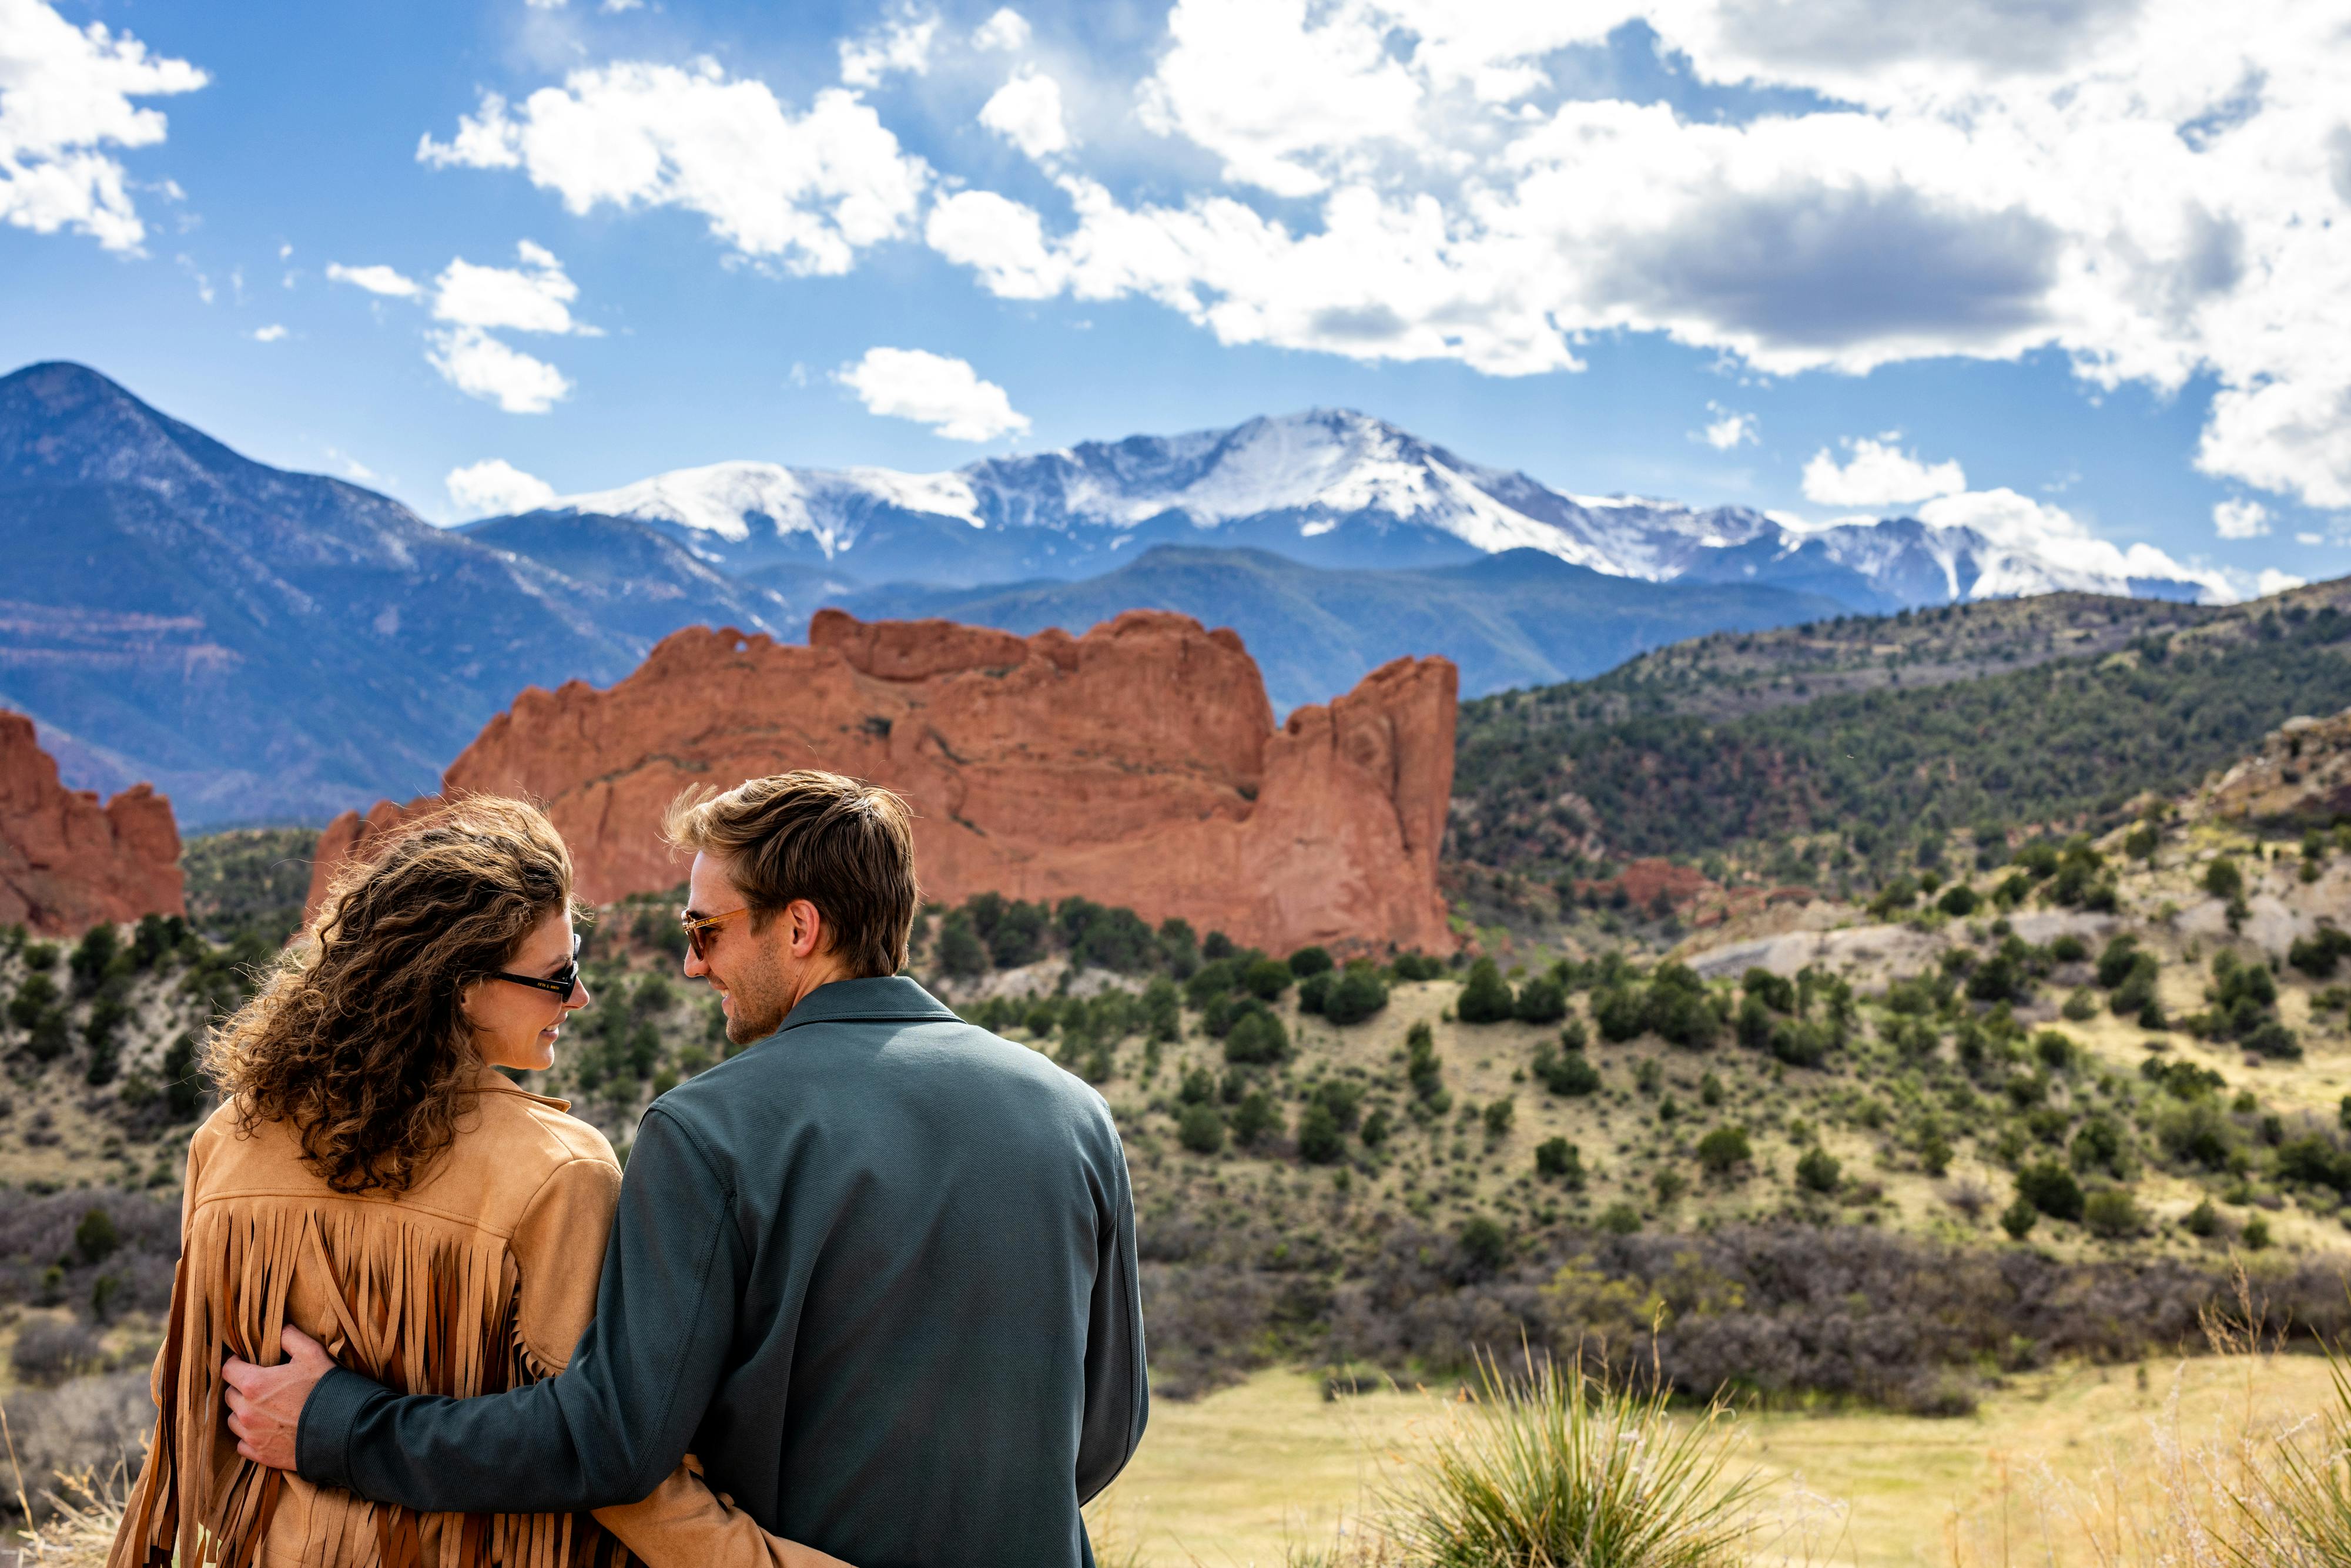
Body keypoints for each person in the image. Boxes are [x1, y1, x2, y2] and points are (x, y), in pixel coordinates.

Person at [223, 770, 1148, 1567]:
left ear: (799, 929)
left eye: (707, 931)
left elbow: (614, 1442)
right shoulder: (1075, 1113)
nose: (692, 963)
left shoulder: (710, 1129)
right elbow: (1107, 1431)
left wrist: (341, 1427)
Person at [110, 795, 845, 1568]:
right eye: (557, 976)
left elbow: (187, 1400)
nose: (581, 998)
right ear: (458, 986)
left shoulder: (228, 1141)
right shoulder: (559, 1173)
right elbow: (608, 1458)